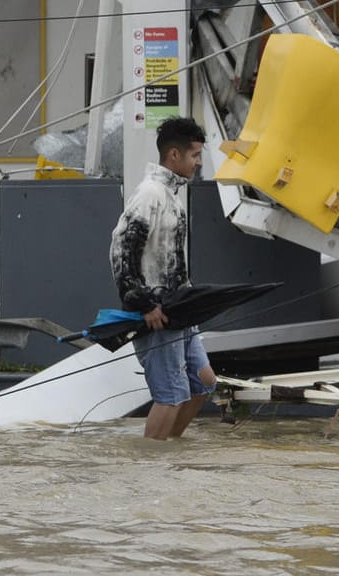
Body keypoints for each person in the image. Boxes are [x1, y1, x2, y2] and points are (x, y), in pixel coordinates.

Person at [108, 116, 216, 441]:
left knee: (204, 384)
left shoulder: (172, 196)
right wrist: (143, 303)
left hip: (179, 311)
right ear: (174, 156)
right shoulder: (149, 195)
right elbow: (120, 250)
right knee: (170, 397)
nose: (198, 163)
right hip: (156, 316)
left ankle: (170, 451)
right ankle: (150, 468)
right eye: (195, 155)